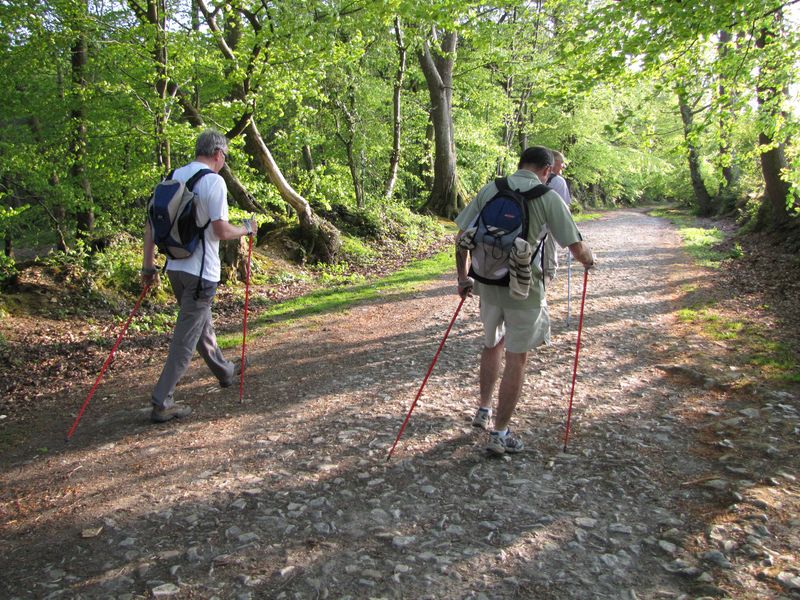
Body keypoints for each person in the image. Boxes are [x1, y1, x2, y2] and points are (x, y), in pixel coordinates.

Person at [455, 146, 594, 456]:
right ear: (547, 171)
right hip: (524, 291)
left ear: (519, 164)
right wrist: (589, 261)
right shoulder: (547, 197)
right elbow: (575, 246)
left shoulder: (492, 188)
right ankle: (500, 434)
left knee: (492, 345)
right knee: (517, 357)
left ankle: (483, 409)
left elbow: (462, 235)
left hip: (487, 285)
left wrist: (463, 279)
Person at [141, 129, 257, 423]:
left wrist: (148, 266)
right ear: (218, 154)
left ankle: (225, 371)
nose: (224, 162)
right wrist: (246, 229)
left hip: (175, 269)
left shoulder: (171, 177)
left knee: (199, 324)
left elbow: (151, 227)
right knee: (186, 338)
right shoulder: (213, 182)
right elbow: (220, 231)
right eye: (225, 157)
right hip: (201, 273)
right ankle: (162, 401)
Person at [542, 150, 572, 283]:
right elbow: (564, 211)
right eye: (562, 163)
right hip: (547, 230)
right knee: (547, 268)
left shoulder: (534, 179)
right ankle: (540, 299)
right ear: (554, 164)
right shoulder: (559, 181)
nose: (563, 166)